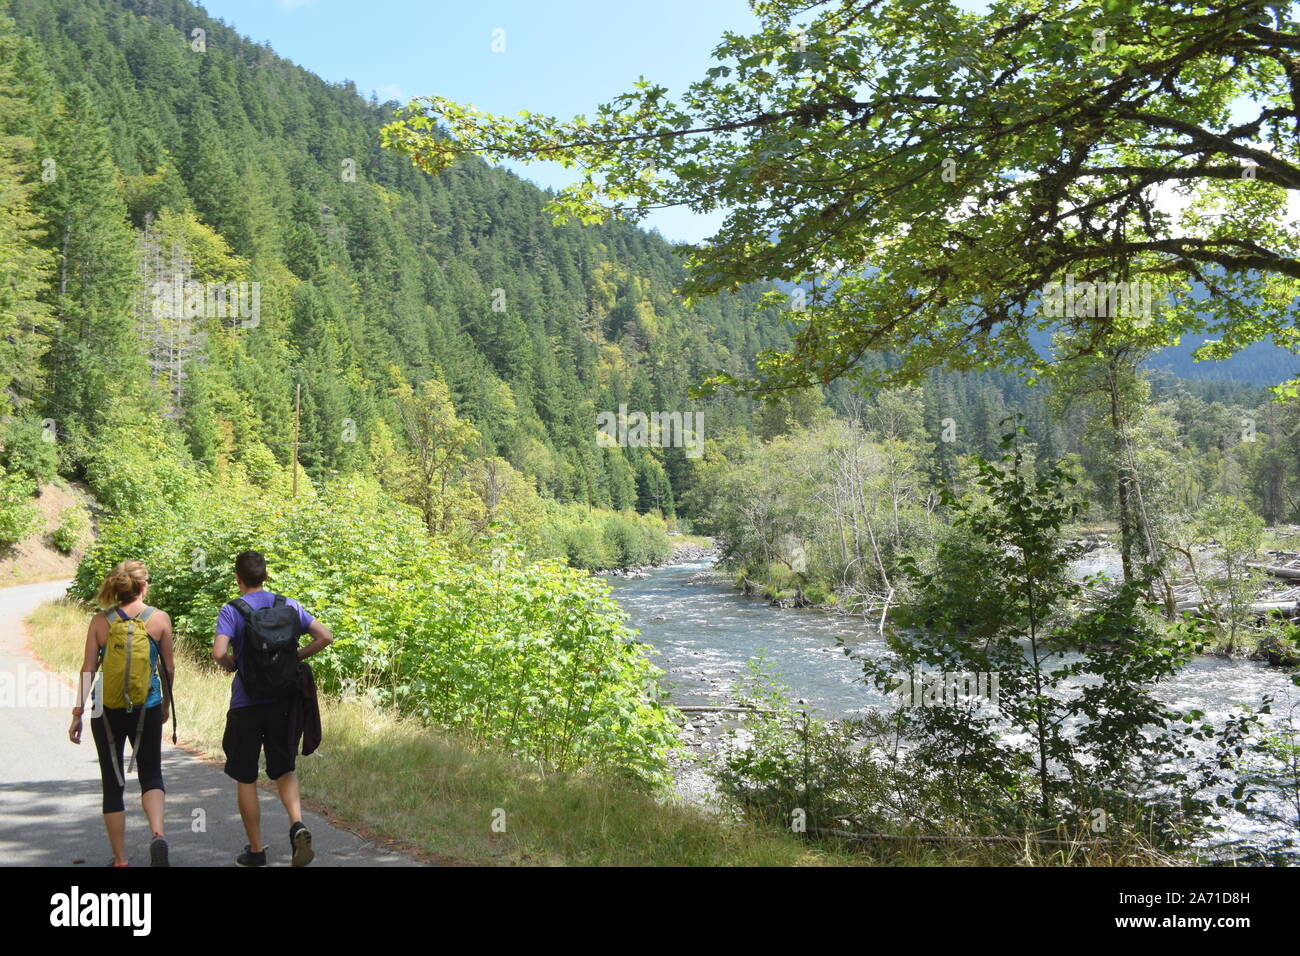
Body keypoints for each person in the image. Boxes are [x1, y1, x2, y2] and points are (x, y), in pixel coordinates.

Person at [213, 550, 332, 867]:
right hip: (283, 702)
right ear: (266, 576)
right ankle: (297, 823)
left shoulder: (232, 610)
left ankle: (255, 851)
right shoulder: (287, 604)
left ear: (238, 578)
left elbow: (218, 652)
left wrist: (232, 664)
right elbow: (325, 637)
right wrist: (296, 658)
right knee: (284, 769)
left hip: (246, 704)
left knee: (246, 776)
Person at [69, 560, 175, 867]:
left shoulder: (100, 622)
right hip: (148, 705)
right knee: (151, 773)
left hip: (106, 709)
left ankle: (120, 860)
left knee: (112, 784)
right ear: (143, 587)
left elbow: (88, 669)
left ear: (117, 589)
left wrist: (77, 712)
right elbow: (167, 669)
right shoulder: (159, 620)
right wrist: (165, 704)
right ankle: (157, 835)